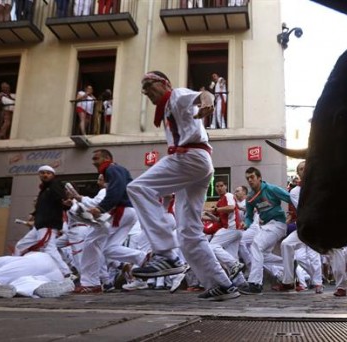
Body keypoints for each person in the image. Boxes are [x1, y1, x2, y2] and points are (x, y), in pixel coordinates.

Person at [126, 70, 240, 301]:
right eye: (144, 87)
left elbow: (202, 94)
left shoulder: (176, 95)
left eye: (148, 85)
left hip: (190, 157)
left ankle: (166, 254)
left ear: (164, 83)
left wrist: (207, 102)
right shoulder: (168, 107)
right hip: (196, 164)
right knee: (188, 233)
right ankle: (222, 284)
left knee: (138, 188)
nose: (145, 91)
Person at [72, 149, 149, 294]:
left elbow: (117, 188)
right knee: (108, 248)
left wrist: (101, 208)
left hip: (120, 211)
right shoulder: (117, 170)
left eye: (96, 158)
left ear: (107, 158)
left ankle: (90, 283)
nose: (94, 162)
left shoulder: (111, 169)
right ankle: (145, 258)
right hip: (128, 212)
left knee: (91, 241)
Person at [237, 166, 293, 295]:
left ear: (259, 178)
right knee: (262, 254)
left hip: (278, 224)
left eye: (252, 177)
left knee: (256, 245)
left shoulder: (271, 189)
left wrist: (293, 215)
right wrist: (245, 224)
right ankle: (288, 263)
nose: (250, 181)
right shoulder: (250, 197)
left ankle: (255, 284)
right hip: (266, 226)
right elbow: (250, 216)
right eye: (247, 178)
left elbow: (290, 198)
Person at [272, 161, 324, 294]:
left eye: (306, 168)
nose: (303, 170)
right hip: (303, 227)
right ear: (298, 173)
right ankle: (288, 281)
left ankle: (318, 283)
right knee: (286, 244)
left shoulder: (319, 186)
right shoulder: (295, 191)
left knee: (313, 254)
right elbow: (306, 208)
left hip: (317, 226)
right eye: (300, 169)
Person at [13, 165, 72, 278]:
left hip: (48, 223)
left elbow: (61, 198)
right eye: (43, 173)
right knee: (21, 245)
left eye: (48, 173)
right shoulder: (44, 189)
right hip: (39, 224)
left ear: (53, 175)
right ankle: (15, 268)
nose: (45, 175)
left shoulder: (55, 184)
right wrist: (33, 214)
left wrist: (65, 202)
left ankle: (66, 273)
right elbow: (43, 205)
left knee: (48, 248)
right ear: (39, 175)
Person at [0, 252, 74, 299]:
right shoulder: (54, 266)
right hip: (55, 275)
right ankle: (34, 287)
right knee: (24, 281)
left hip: (28, 261)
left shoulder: (29, 256)